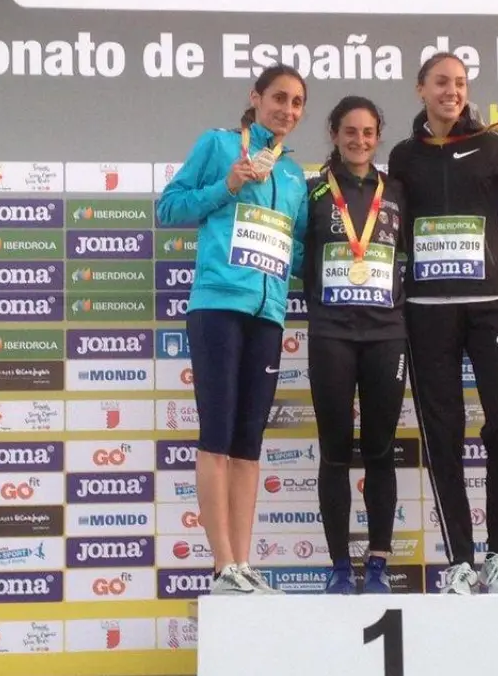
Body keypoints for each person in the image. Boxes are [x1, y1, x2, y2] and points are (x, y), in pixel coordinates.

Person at [385, 52, 498, 595]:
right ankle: (460, 560)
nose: (453, 91)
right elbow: (390, 229)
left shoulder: (489, 143)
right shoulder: (403, 155)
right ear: (420, 89)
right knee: (443, 435)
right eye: (442, 82)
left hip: (490, 305)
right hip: (427, 312)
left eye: (461, 83)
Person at [155, 64, 309, 596]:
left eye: (296, 102)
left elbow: (298, 249)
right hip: (218, 306)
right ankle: (222, 565)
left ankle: (243, 563)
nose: (287, 109)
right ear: (256, 98)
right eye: (278, 97)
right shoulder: (219, 145)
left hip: (268, 315)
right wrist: (228, 185)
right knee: (217, 437)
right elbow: (169, 207)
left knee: (248, 444)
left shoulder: (294, 174)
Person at [302, 96, 408, 595]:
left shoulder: (397, 191)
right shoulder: (314, 191)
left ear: (378, 136)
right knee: (335, 451)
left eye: (368, 132)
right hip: (331, 334)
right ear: (334, 134)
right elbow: (295, 254)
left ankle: (378, 565)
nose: (359, 140)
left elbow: (422, 252)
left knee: (381, 450)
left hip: (387, 334)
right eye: (350, 131)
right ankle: (340, 566)